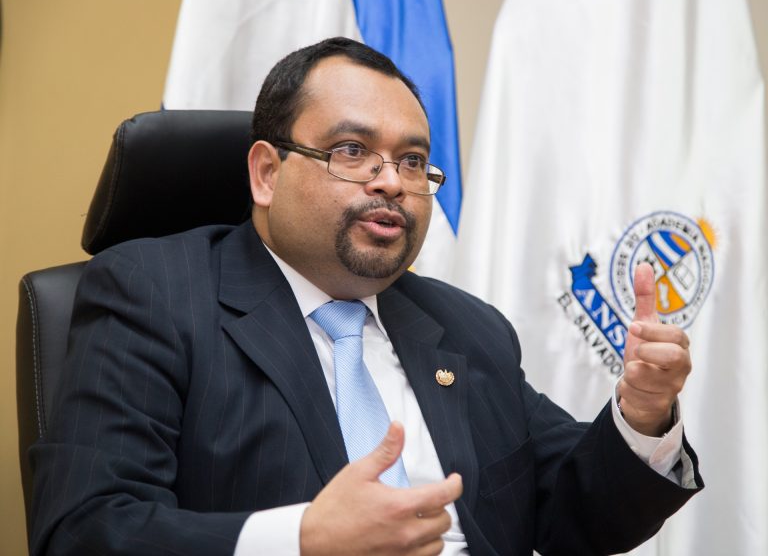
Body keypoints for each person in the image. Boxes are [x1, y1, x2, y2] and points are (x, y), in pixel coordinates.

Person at [30, 37, 702, 556]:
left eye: (413, 161)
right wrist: (301, 540)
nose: (392, 182)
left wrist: (643, 414)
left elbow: (578, 515)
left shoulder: (468, 328)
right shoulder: (154, 292)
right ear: (266, 174)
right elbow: (87, 530)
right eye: (352, 151)